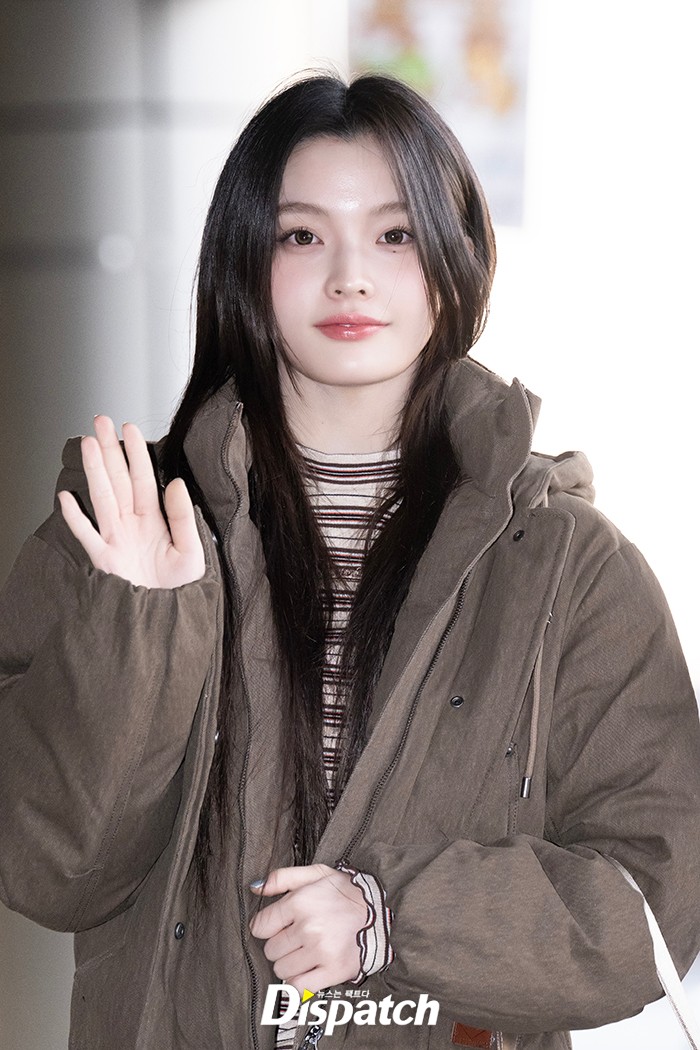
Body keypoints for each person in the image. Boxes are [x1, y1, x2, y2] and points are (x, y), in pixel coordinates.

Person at [0, 72, 699, 1050]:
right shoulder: (122, 527)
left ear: (455, 260)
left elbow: (655, 900)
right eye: (300, 236)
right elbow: (50, 875)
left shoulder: (571, 568)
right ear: (243, 261)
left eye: (395, 234)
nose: (349, 277)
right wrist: (139, 631)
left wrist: (391, 918)